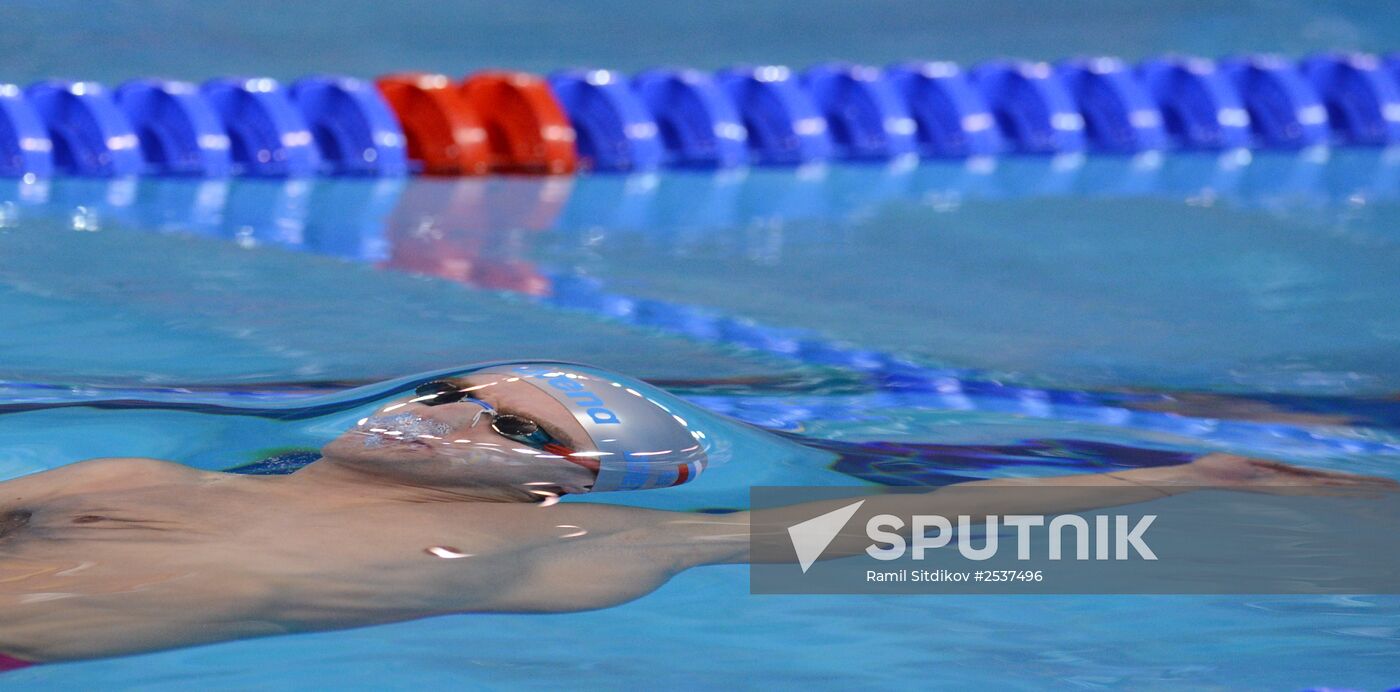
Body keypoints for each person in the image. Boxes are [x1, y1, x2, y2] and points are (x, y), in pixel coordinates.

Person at [0, 362, 1393, 669]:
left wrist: (1183, 486)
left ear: (568, 477)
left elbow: (892, 537)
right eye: (446, 389)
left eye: (509, 423)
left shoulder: (575, 551)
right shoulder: (136, 482)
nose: (446, 412)